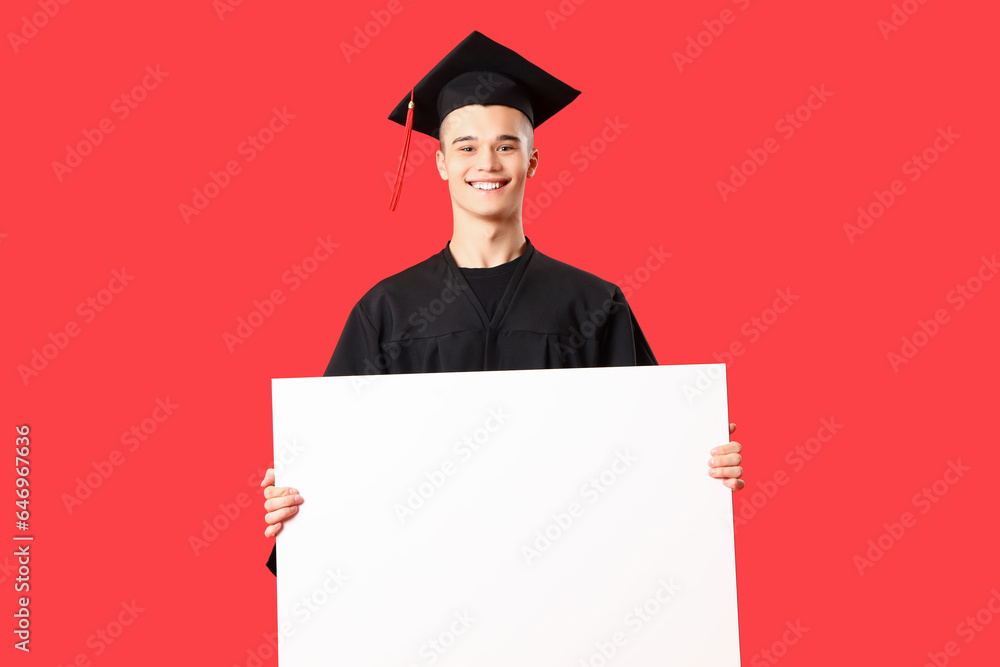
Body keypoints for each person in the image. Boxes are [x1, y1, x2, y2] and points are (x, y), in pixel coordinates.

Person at [261, 31, 745, 576]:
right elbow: (338, 462)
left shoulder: (593, 304)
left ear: (533, 161)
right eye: (466, 147)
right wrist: (296, 499)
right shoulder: (387, 310)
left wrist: (699, 459)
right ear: (441, 162)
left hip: (564, 596)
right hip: (423, 598)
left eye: (506, 145)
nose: (486, 163)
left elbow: (646, 456)